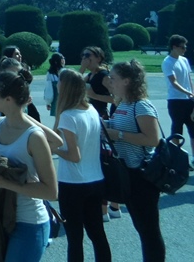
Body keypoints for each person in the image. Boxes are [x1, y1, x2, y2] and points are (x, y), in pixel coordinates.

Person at [0, 70, 58, 262]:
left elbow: (51, 192)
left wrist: (5, 183)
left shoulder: (34, 137)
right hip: (0, 216)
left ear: (8, 99)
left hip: (30, 223)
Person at [104, 60, 165, 261]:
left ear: (127, 81)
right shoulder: (123, 104)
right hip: (128, 173)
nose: (110, 81)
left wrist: (118, 135)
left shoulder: (141, 105)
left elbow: (153, 139)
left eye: (113, 78)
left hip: (142, 175)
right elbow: (118, 126)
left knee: (149, 231)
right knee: (141, 227)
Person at [52, 69, 111, 262]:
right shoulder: (91, 110)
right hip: (96, 178)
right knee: (97, 234)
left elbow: (73, 155)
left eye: (59, 82)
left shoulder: (68, 116)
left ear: (65, 87)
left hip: (73, 182)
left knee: (75, 238)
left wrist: (55, 150)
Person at [80, 45, 119, 220]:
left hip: (101, 119)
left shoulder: (103, 75)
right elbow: (73, 86)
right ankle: (112, 207)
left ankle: (107, 207)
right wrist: (82, 69)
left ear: (98, 58)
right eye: (83, 55)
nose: (85, 58)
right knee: (100, 160)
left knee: (103, 161)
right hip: (91, 119)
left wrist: (94, 95)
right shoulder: (90, 75)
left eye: (88, 55)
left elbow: (116, 98)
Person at [161, 35, 194, 158]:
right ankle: (176, 158)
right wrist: (187, 92)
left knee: (193, 129)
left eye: (185, 47)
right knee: (177, 130)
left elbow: (189, 79)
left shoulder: (184, 60)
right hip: (175, 101)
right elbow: (173, 82)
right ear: (174, 47)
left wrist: (192, 93)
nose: (185, 49)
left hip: (189, 100)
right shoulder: (167, 62)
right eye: (182, 47)